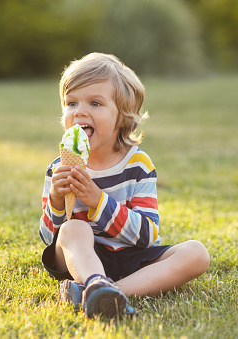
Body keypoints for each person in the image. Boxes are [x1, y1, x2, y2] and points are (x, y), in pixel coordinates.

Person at [39, 53, 210, 318]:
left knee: (196, 253)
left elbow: (147, 236)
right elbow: (51, 241)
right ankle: (95, 282)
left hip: (131, 257)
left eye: (95, 103)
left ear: (121, 117)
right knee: (74, 228)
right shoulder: (59, 168)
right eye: (71, 103)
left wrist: (99, 202)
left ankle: (105, 292)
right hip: (83, 259)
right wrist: (56, 200)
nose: (80, 111)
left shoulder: (137, 165)